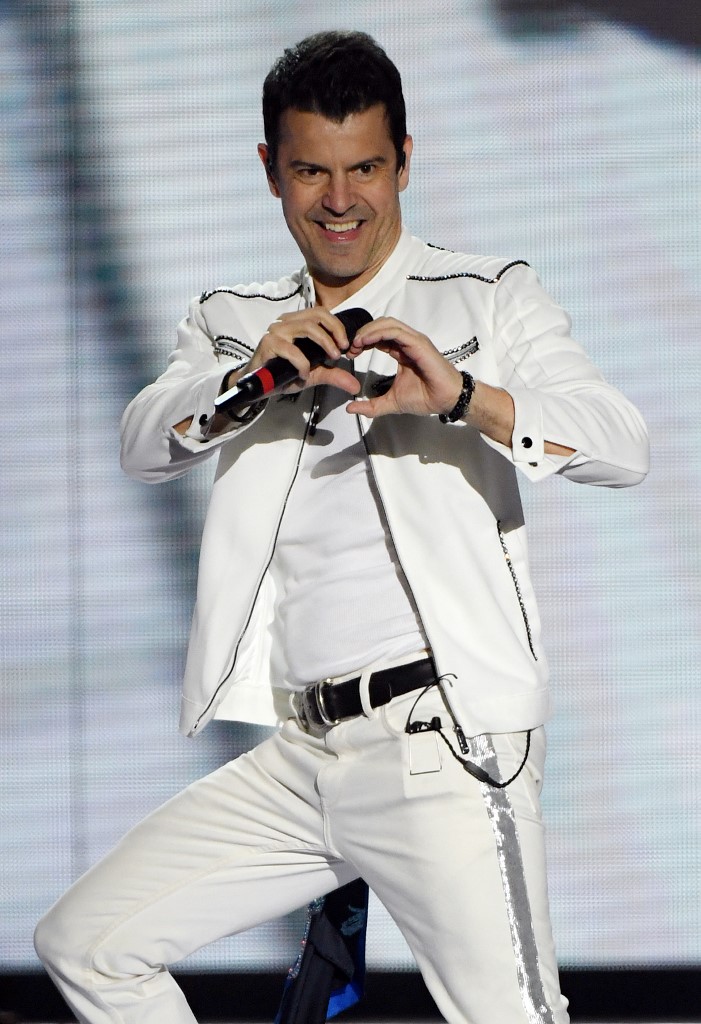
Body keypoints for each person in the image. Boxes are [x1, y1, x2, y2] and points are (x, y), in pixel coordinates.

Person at [34, 29, 649, 1024]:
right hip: (300, 752)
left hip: (440, 747)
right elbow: (146, 441)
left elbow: (619, 444)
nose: (340, 199)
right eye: (311, 170)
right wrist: (244, 383)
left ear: (404, 158)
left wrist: (459, 398)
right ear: (270, 169)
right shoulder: (237, 319)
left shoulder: (484, 296)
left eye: (365, 166)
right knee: (87, 943)